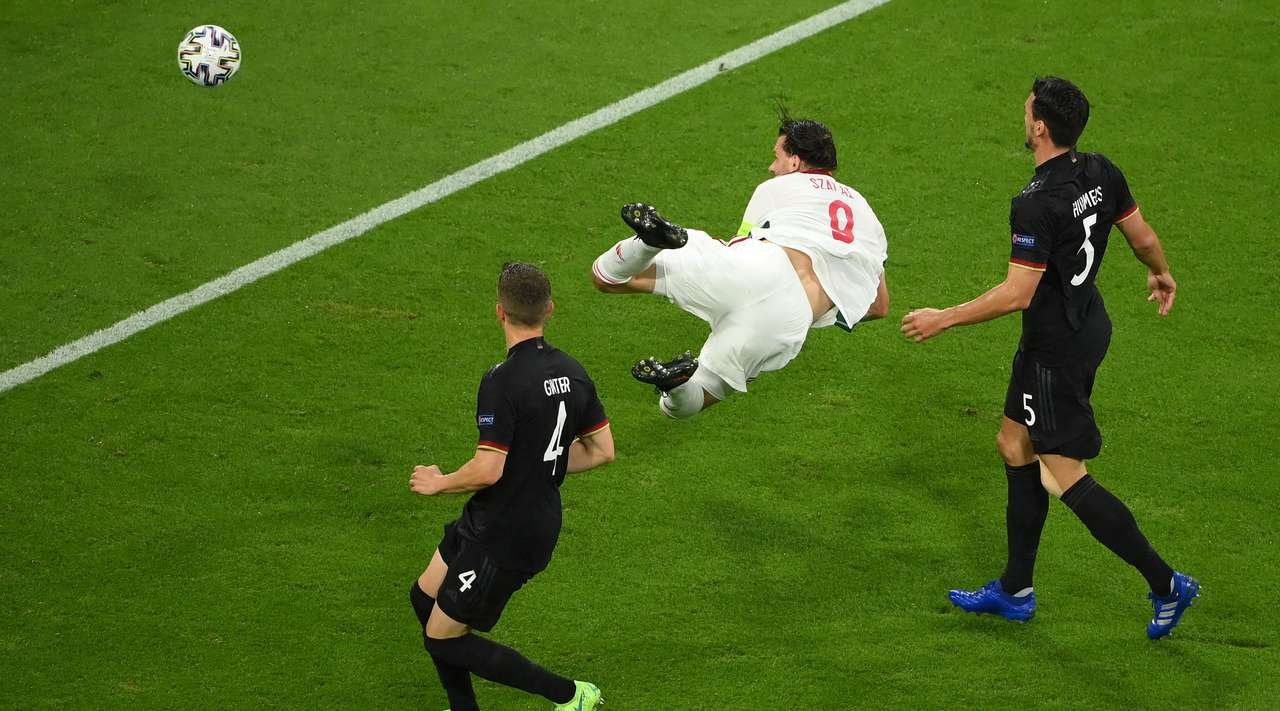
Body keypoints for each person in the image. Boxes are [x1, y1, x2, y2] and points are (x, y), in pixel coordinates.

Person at [900, 77, 1198, 639]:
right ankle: (1015, 590)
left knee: (1062, 474)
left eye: (1026, 109)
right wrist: (1160, 272)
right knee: (1013, 443)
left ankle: (1166, 584)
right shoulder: (1100, 170)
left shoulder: (1034, 204)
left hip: (1055, 351)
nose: (1023, 115)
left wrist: (944, 317)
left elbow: (1018, 293)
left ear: (1039, 127)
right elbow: (1141, 237)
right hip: (1085, 326)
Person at [408, 262, 614, 709]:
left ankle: (571, 695)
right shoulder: (573, 371)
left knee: (443, 638)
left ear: (499, 311)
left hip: (507, 532)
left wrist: (439, 483)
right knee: (424, 598)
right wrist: (540, 466)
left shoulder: (501, 381)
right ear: (550, 309)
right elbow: (602, 450)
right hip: (499, 516)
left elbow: (488, 470)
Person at [589, 114, 890, 418]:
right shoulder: (868, 216)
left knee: (606, 277)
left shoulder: (776, 188)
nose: (771, 167)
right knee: (693, 399)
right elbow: (879, 307)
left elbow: (743, 242)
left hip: (760, 268)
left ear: (794, 162)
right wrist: (821, 308)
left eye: (776, 157)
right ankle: (674, 383)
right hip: (792, 320)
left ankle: (649, 244)